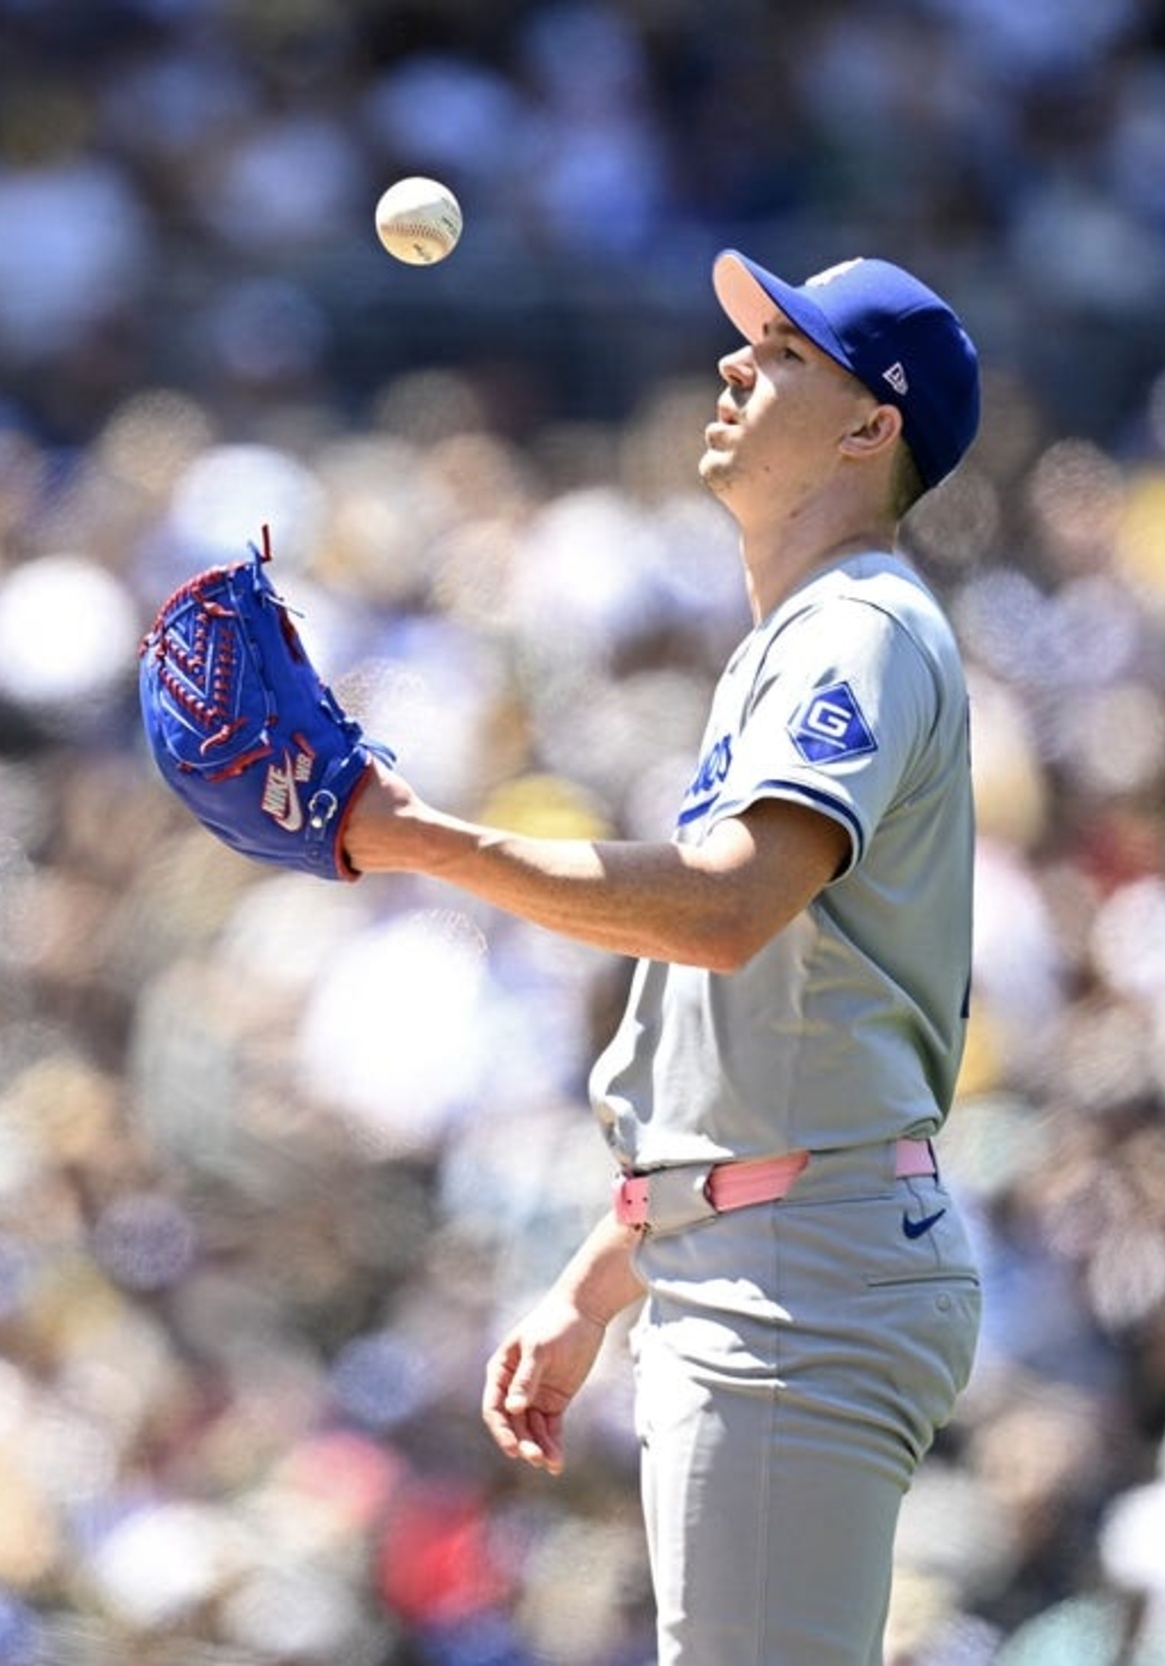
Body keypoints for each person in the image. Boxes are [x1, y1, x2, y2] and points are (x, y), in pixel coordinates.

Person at [340, 249, 986, 1664]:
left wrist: (429, 840)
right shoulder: (794, 638)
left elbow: (726, 905)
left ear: (872, 426)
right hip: (768, 1232)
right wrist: (596, 1278)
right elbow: (749, 1035)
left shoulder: (856, 626)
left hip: (801, 1263)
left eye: (786, 354)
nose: (734, 365)